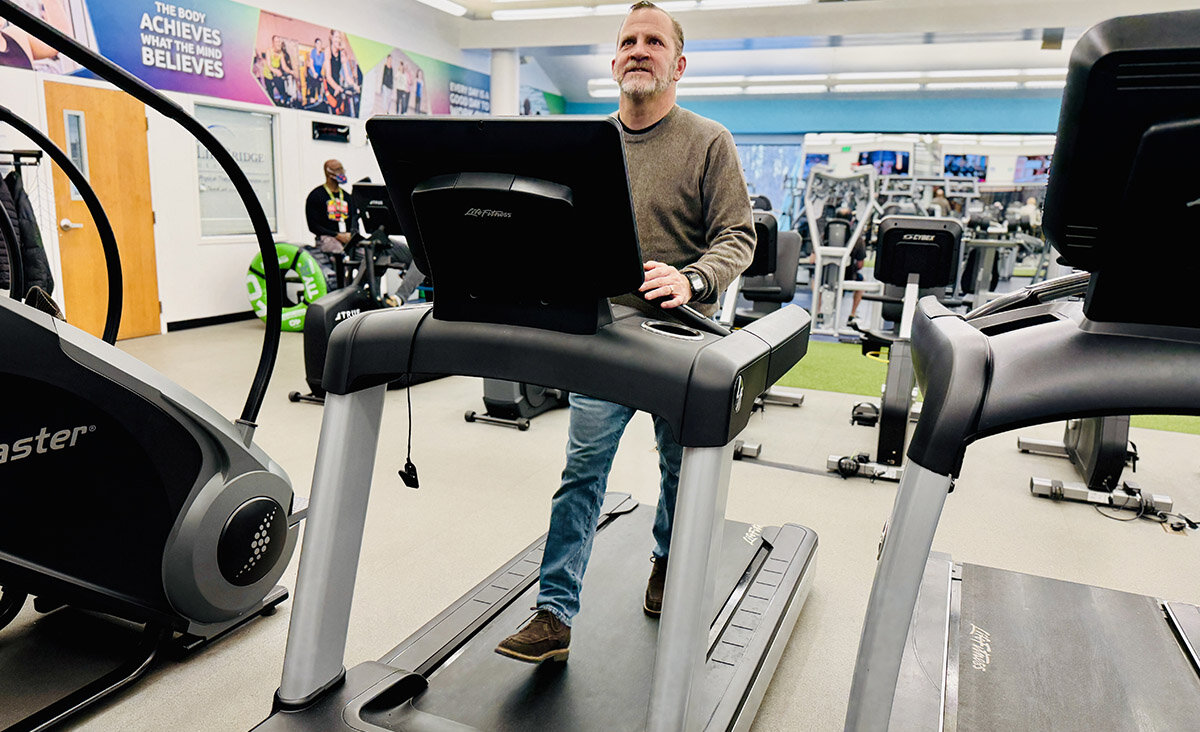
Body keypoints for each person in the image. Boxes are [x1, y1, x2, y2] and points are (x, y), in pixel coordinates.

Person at [495, 0, 755, 664]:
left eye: (654, 41)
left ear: (678, 63)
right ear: (614, 63)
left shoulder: (708, 140)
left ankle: (667, 561)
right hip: (605, 332)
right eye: (628, 42)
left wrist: (693, 279)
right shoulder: (587, 144)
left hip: (682, 336)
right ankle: (554, 612)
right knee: (582, 470)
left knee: (677, 467)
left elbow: (738, 237)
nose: (640, 50)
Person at [305, 159, 357, 259]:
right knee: (339, 254)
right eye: (338, 169)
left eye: (342, 169)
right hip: (327, 237)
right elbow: (313, 225)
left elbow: (354, 218)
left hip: (347, 237)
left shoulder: (347, 197)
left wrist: (352, 234)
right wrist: (336, 235)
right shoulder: (316, 196)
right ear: (328, 172)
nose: (341, 172)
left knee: (366, 254)